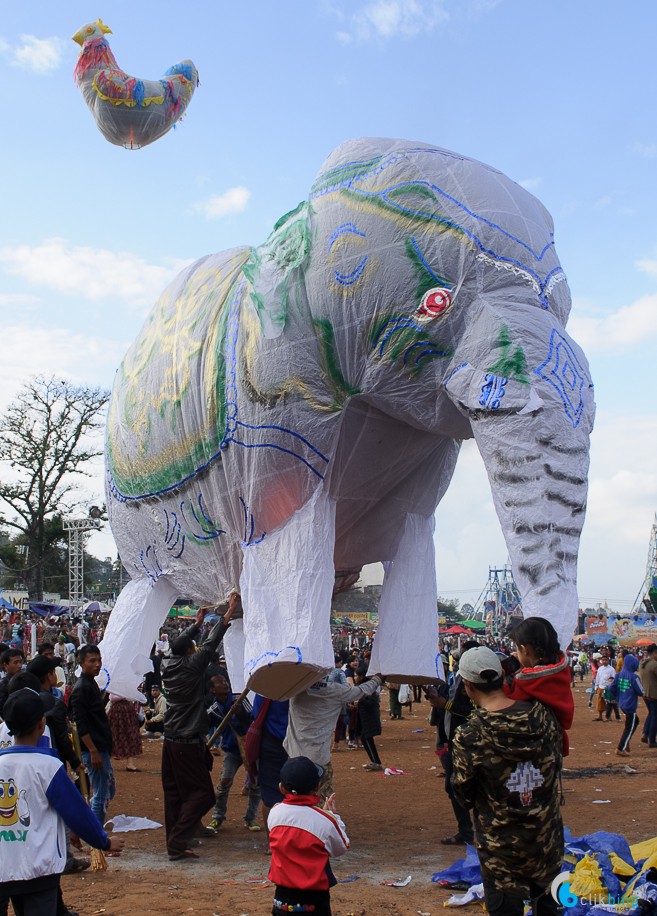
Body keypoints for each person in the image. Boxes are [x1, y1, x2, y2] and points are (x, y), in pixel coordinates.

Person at [451, 647, 563, 916]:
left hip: (501, 854)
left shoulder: (469, 736)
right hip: (546, 844)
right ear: (502, 677)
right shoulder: (543, 716)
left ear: (467, 685)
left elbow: (464, 796)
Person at [0, 689, 124, 916]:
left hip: (4, 864)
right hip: (40, 868)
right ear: (42, 723)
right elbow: (76, 812)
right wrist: (103, 841)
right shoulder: (47, 766)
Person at [160, 598, 236, 860]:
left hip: (170, 739)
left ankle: (176, 842)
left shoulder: (166, 663)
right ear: (190, 651)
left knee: (174, 793)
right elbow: (210, 644)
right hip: (187, 740)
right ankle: (178, 840)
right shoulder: (191, 667)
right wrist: (226, 615)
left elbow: (181, 644)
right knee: (204, 794)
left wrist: (196, 624)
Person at [284, 671, 384, 803]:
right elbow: (361, 691)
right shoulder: (335, 690)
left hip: (293, 758)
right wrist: (378, 679)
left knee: (293, 800)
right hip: (318, 760)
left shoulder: (294, 689)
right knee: (322, 802)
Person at [268, 756, 349, 916]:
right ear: (317, 787)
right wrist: (333, 816)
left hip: (282, 898)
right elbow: (340, 848)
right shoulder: (324, 820)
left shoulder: (275, 812)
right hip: (314, 900)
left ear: (281, 788)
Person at [423, 641, 480, 846]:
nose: (456, 660)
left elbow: (475, 712)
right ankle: (465, 831)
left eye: (461, 656)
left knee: (469, 787)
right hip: (451, 740)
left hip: (469, 743)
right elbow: (446, 703)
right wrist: (435, 697)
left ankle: (474, 831)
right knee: (453, 787)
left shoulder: (476, 682)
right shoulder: (455, 677)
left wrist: (444, 703)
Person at [505, 617, 574, 752]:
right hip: (554, 743)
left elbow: (505, 701)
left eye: (517, 649)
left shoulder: (527, 682)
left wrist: (503, 678)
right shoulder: (559, 671)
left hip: (533, 749)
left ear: (525, 650)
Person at [207, 674, 261, 831]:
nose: (225, 684)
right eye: (220, 683)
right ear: (212, 689)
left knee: (254, 785)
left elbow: (253, 720)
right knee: (224, 782)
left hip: (250, 748)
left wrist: (240, 713)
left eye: (225, 681)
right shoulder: (214, 709)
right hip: (231, 750)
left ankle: (250, 818)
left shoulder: (240, 699)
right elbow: (207, 724)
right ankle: (218, 816)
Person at [68, 644, 115, 825]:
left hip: (100, 745)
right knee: (100, 793)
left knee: (107, 789)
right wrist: (93, 750)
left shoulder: (91, 684)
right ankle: (96, 834)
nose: (97, 664)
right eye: (92, 661)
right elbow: (80, 724)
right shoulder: (81, 689)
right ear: (80, 662)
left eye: (99, 660)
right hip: (94, 748)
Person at [610, 652, 643, 756]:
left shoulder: (619, 674)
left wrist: (617, 695)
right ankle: (620, 748)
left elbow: (611, 687)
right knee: (629, 726)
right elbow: (641, 692)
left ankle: (626, 741)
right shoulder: (634, 677)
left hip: (622, 703)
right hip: (630, 704)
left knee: (635, 721)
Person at [354, 666, 383, 771]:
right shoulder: (363, 686)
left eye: (356, 675)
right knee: (366, 738)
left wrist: (360, 701)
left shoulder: (369, 688)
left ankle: (376, 762)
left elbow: (372, 702)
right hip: (365, 717)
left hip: (370, 717)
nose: (354, 677)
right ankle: (375, 761)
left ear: (361, 677)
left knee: (366, 738)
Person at [108, 694, 143, 772]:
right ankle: (110, 762)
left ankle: (129, 763)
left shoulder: (114, 685)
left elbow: (111, 698)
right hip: (122, 711)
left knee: (126, 735)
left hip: (123, 711)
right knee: (116, 735)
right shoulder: (116, 685)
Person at [640, 644, 657, 747]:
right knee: (655, 717)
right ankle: (652, 739)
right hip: (654, 694)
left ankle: (645, 734)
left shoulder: (642, 663)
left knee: (651, 714)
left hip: (645, 693)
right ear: (655, 653)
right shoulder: (654, 664)